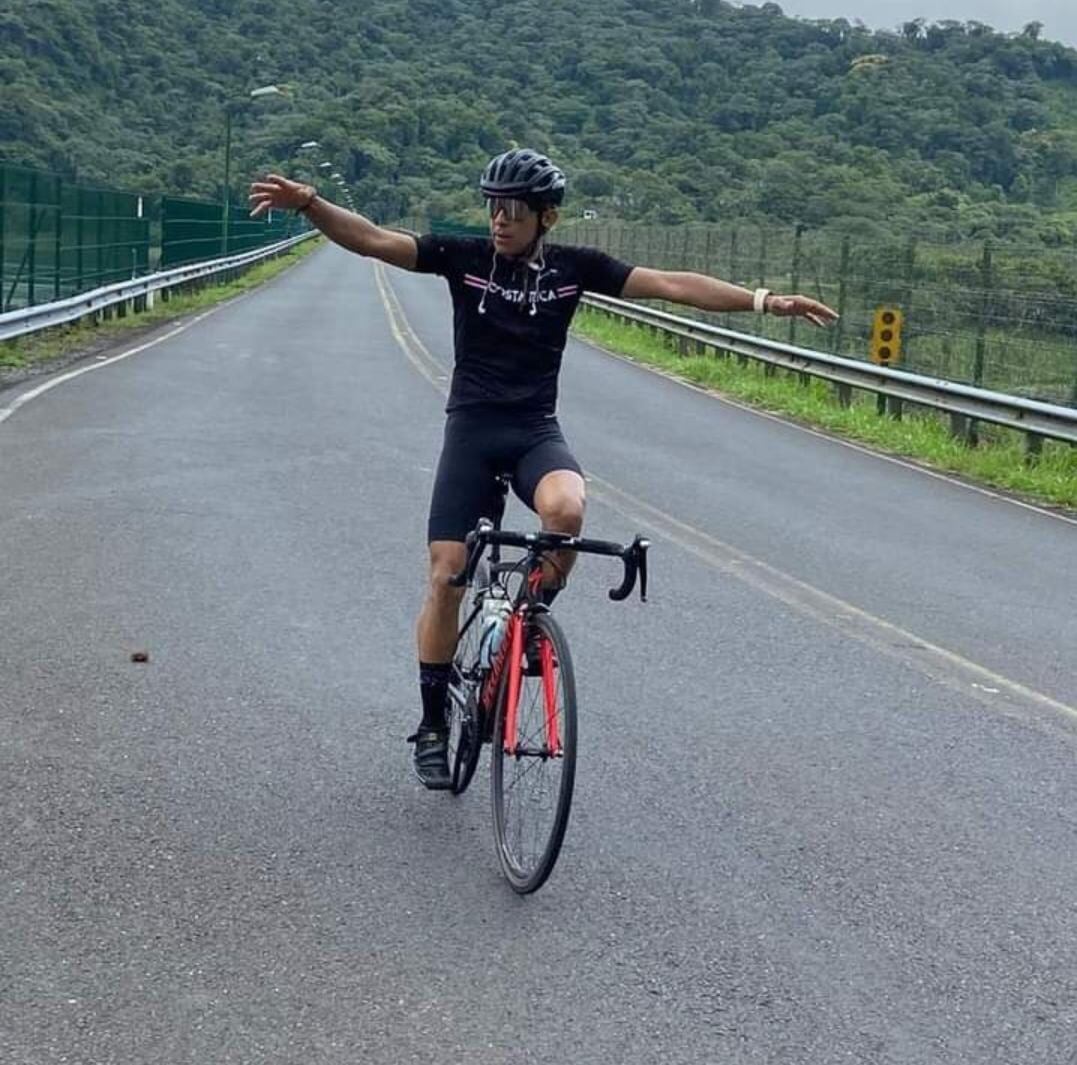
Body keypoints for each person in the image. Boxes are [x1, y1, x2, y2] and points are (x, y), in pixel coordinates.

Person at [249, 149, 838, 789]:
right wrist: (311, 204)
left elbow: (672, 285)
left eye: (514, 210)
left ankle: (530, 617)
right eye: (493, 208)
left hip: (534, 430)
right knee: (447, 575)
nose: (499, 220)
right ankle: (433, 724)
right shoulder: (464, 258)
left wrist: (765, 301)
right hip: (473, 432)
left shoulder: (573, 269)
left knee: (568, 509)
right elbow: (372, 240)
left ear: (546, 217)